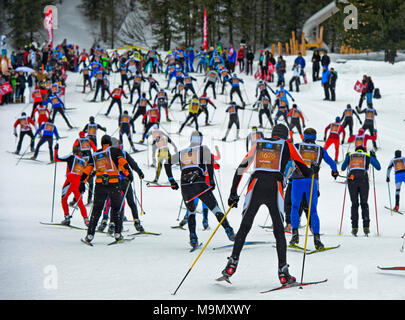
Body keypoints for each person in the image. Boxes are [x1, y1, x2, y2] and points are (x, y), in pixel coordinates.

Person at [221, 124, 313, 285]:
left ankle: (232, 263)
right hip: (274, 187)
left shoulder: (259, 144)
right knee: (278, 230)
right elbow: (305, 171)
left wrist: (233, 192)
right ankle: (283, 271)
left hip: (255, 184)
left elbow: (241, 168)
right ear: (285, 136)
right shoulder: (288, 145)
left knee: (245, 225)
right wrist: (314, 170)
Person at [164, 131, 235, 250]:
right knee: (215, 208)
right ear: (200, 140)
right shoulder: (203, 149)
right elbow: (210, 163)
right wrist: (211, 180)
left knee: (191, 211)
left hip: (185, 184)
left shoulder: (183, 152)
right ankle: (229, 231)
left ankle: (193, 238)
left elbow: (167, 163)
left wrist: (172, 180)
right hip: (199, 182)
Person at [289, 128, 339, 249]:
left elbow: (287, 161)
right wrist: (335, 171)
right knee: (313, 210)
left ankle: (294, 236)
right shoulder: (320, 150)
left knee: (295, 207)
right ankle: (317, 240)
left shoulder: (296, 146)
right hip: (311, 181)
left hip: (297, 180)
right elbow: (331, 162)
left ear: (304, 137)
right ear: (315, 137)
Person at [81, 135, 134, 244]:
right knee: (116, 209)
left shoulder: (96, 154)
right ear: (110, 143)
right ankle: (118, 234)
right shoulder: (116, 151)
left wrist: (82, 181)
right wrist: (129, 174)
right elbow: (123, 163)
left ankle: (90, 235)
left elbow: (88, 169)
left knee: (96, 209)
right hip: (114, 184)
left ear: (101, 143)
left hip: (100, 185)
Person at [341, 146, 381, 236]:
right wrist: (373, 156)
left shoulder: (351, 155)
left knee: (354, 204)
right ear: (364, 150)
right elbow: (378, 167)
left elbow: (343, 168)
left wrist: (347, 157)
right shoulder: (366, 155)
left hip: (352, 180)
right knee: (364, 203)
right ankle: (366, 227)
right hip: (363, 181)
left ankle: (354, 227)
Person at [54, 144, 89, 226]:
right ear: (80, 152)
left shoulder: (71, 157)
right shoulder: (83, 161)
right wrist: (83, 182)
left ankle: (67, 218)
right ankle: (86, 219)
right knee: (80, 202)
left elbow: (56, 159)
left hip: (69, 181)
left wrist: (56, 149)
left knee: (64, 199)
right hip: (78, 183)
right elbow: (86, 174)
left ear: (73, 151)